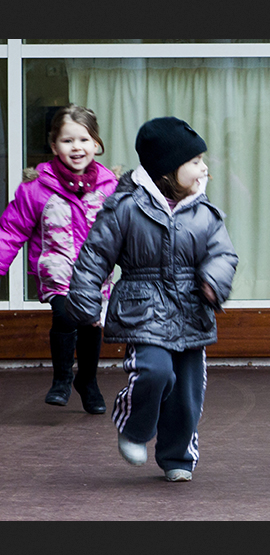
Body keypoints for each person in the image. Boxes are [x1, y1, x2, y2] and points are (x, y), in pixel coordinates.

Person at [65, 117, 238, 483]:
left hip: (192, 312)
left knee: (188, 392)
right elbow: (95, 256)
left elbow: (223, 254)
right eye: (195, 161)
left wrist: (213, 280)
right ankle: (134, 428)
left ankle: (177, 456)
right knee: (154, 371)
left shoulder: (203, 211)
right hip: (143, 310)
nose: (203, 168)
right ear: (167, 169)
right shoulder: (126, 207)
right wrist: (85, 304)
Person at [0, 104, 118, 413]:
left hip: (95, 275)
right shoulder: (36, 188)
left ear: (96, 144)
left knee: (91, 325)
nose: (76, 147)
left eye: (84, 140)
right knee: (65, 316)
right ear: (54, 146)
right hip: (57, 270)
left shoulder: (111, 188)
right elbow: (11, 230)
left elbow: (125, 232)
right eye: (67, 141)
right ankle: (62, 378)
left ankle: (87, 381)